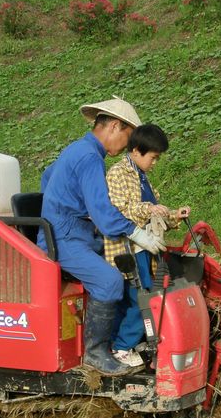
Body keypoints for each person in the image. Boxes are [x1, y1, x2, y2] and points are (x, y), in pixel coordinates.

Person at [39, 98, 167, 376]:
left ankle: (117, 342)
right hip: (63, 238)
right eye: (126, 137)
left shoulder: (78, 149)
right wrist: (135, 232)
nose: (124, 146)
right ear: (114, 126)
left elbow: (47, 178)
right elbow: (103, 213)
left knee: (118, 273)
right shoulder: (89, 157)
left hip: (72, 231)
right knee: (110, 281)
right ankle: (95, 354)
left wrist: (64, 204)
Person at [103, 124, 190, 367]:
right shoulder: (118, 174)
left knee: (134, 297)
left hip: (143, 247)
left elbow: (153, 214)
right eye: (153, 157)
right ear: (138, 150)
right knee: (143, 296)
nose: (154, 163)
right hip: (128, 248)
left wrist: (174, 216)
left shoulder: (141, 177)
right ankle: (121, 347)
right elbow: (118, 210)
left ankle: (124, 340)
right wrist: (149, 208)